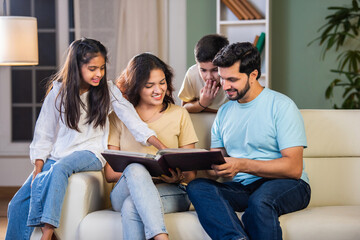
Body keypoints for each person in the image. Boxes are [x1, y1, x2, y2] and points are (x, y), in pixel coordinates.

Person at [5, 38, 166, 240]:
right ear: (76, 67)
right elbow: (43, 135)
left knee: (61, 168)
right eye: (92, 68)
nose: (98, 73)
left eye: (101, 68)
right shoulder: (58, 93)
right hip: (58, 156)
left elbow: (135, 123)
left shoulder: (108, 91)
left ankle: (47, 234)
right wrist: (37, 171)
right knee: (17, 204)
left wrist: (163, 148)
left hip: (91, 153)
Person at [186, 42, 311, 240]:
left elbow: (294, 168)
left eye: (232, 79)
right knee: (198, 187)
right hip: (244, 188)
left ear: (253, 75)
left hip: (287, 184)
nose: (225, 86)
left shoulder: (282, 106)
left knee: (260, 202)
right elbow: (214, 169)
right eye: (223, 78)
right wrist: (206, 163)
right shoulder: (224, 113)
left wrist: (241, 164)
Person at [105, 53, 198, 240]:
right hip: (124, 191)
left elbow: (191, 174)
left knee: (132, 206)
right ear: (136, 86)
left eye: (162, 82)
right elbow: (109, 174)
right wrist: (149, 174)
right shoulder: (117, 117)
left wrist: (175, 177)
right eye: (149, 86)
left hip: (173, 190)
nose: (158, 90)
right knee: (135, 168)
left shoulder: (179, 114)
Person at [178, 34, 229, 113]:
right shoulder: (192, 74)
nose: (209, 77)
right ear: (197, 64)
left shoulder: (233, 76)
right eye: (203, 70)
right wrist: (202, 103)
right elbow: (184, 107)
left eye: (215, 70)